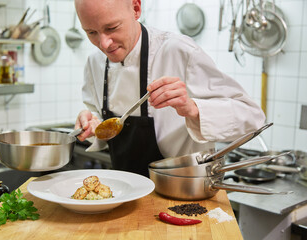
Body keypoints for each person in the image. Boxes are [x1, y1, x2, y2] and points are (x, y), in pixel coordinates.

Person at [74, 0, 266, 177]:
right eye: (91, 32)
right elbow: (97, 114)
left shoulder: (179, 51)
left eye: (112, 27)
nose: (104, 43)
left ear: (136, 8)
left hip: (185, 192)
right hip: (128, 193)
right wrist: (93, 124)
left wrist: (193, 109)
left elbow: (252, 116)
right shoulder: (95, 62)